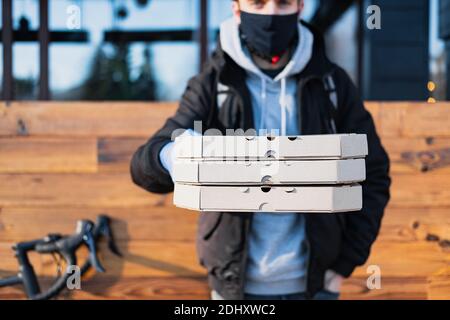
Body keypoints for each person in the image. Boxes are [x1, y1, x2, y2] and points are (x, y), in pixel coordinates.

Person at [130, 0, 391, 300]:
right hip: (233, 289)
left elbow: (374, 173)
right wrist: (171, 157)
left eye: (282, 4)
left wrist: (344, 264)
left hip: (315, 287)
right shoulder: (214, 83)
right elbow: (144, 165)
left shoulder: (332, 83)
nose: (270, 15)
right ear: (237, 9)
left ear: (300, 7)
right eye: (258, 3)